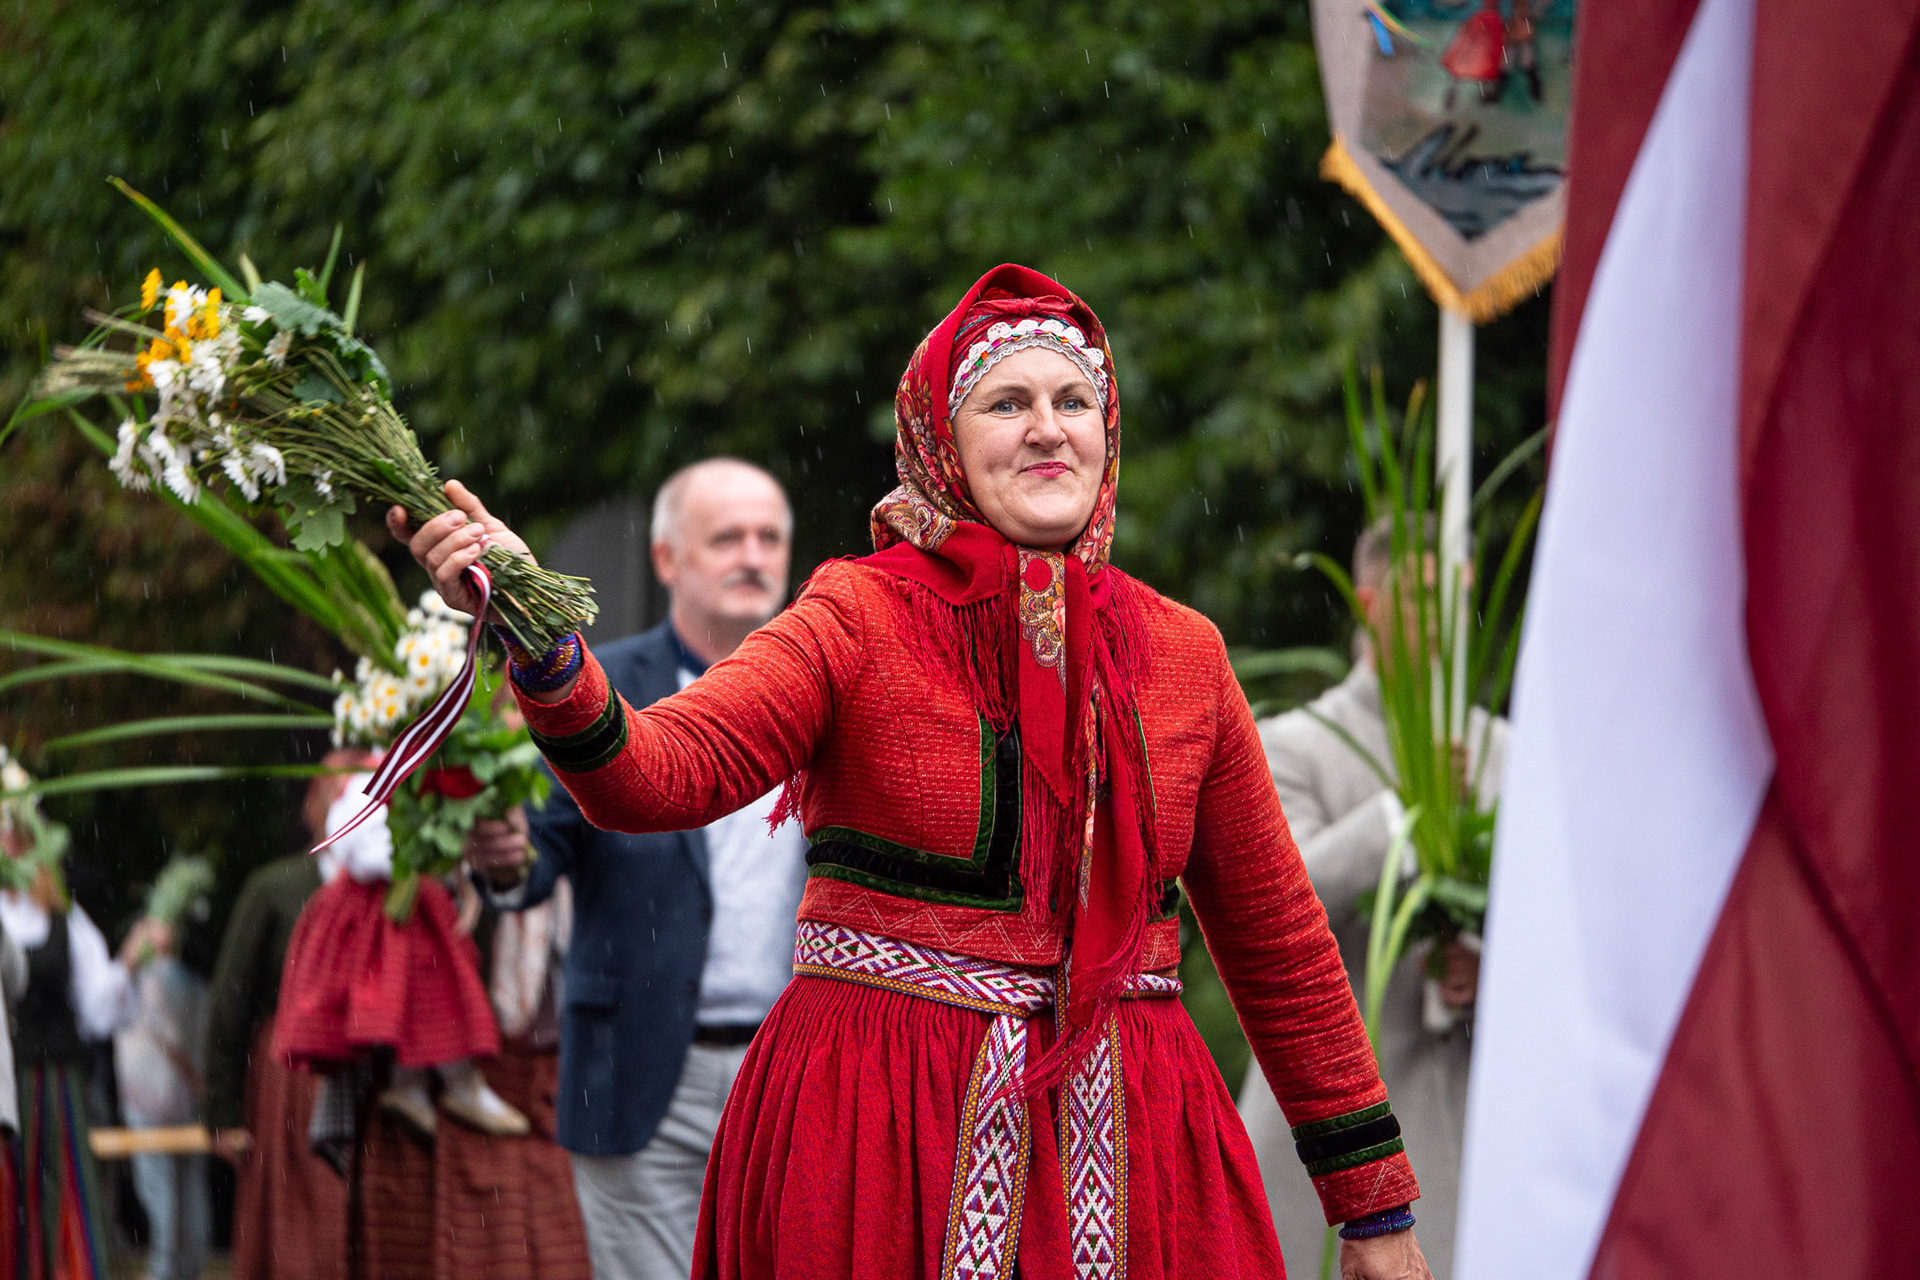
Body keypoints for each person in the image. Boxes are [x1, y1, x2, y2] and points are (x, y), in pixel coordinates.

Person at [400, 264, 1431, 1279]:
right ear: (941, 438)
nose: (1048, 428)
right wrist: (538, 633)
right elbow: (656, 775)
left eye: (1075, 401)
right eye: (1007, 403)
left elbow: (1281, 945)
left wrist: (1373, 1203)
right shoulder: (856, 616)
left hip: (1133, 1143)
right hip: (880, 1136)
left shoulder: (1183, 655)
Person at [461, 458, 810, 1280]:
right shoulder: (593, 686)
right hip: (639, 1069)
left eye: (769, 538)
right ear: (666, 559)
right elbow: (534, 858)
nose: (753, 556)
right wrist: (503, 857)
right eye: (727, 538)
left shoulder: (825, 692)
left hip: (795, 1073)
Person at [1238, 516, 1506, 1279]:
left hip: (1468, 1123)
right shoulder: (1294, 744)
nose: (1445, 618)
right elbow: (1275, 900)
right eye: (1423, 596)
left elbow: (1564, 933)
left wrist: (1483, 959)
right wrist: (1401, 813)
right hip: (1323, 1133)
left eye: (1458, 596)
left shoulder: (1503, 753)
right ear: (1369, 602)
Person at [204, 764, 356, 1280]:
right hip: (291, 1077)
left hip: (370, 1071)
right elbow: (231, 998)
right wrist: (223, 1111)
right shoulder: (275, 888)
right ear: (315, 805)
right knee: (297, 1232)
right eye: (337, 793)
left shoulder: (397, 886)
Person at [0, 858, 165, 1280]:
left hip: (56, 1080)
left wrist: (129, 959)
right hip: (5, 1080)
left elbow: (96, 1007)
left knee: (63, 1188)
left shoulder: (65, 916)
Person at [115, 927, 210, 1280]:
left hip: (149, 1096)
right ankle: (189, 1265)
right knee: (189, 1185)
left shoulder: (147, 980)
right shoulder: (196, 983)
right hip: (188, 1101)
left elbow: (169, 1036)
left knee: (160, 1188)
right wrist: (201, 1084)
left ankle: (164, 1269)